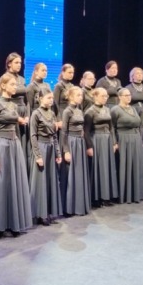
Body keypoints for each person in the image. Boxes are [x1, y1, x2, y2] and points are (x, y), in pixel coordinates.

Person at [0, 73, 33, 238]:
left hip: (14, 145)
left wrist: (18, 144)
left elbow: (17, 127)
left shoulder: (13, 105)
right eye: (13, 84)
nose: (16, 87)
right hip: (2, 145)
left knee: (15, 183)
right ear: (4, 85)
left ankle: (14, 223)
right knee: (2, 183)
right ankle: (0, 225)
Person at [29, 88, 62, 226]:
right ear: (41, 98)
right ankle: (39, 214)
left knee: (50, 180)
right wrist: (38, 155)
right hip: (41, 147)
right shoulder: (36, 114)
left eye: (52, 98)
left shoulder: (52, 113)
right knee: (40, 181)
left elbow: (54, 135)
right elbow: (33, 135)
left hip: (50, 148)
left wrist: (58, 152)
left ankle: (48, 212)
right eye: (48, 98)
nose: (51, 100)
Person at [83, 87, 118, 207]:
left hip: (107, 140)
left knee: (107, 168)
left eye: (106, 96)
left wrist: (114, 142)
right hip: (96, 140)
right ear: (95, 96)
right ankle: (97, 197)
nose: (105, 98)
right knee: (98, 169)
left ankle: (107, 196)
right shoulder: (90, 111)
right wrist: (89, 147)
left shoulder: (107, 109)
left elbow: (111, 127)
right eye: (103, 96)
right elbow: (86, 131)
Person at [111, 88, 143, 203]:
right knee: (124, 166)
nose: (128, 97)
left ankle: (135, 193)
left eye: (129, 95)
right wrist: (115, 142)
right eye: (126, 95)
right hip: (123, 139)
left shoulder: (133, 108)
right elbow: (112, 127)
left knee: (135, 166)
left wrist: (140, 139)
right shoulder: (115, 110)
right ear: (120, 97)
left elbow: (138, 124)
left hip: (135, 139)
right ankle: (124, 194)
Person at [61, 86, 91, 216]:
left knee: (79, 174)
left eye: (81, 95)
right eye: (78, 95)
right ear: (71, 96)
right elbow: (64, 132)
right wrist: (66, 150)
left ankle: (79, 205)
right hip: (71, 142)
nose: (81, 97)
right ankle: (69, 207)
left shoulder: (79, 110)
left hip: (80, 143)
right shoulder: (67, 111)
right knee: (71, 175)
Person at [4, 53, 30, 166]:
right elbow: (4, 100)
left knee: (24, 142)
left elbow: (27, 100)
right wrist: (17, 118)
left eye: (20, 63)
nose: (19, 65)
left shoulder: (22, 79)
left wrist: (27, 115)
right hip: (12, 112)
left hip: (23, 112)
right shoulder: (5, 78)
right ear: (9, 64)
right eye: (16, 62)